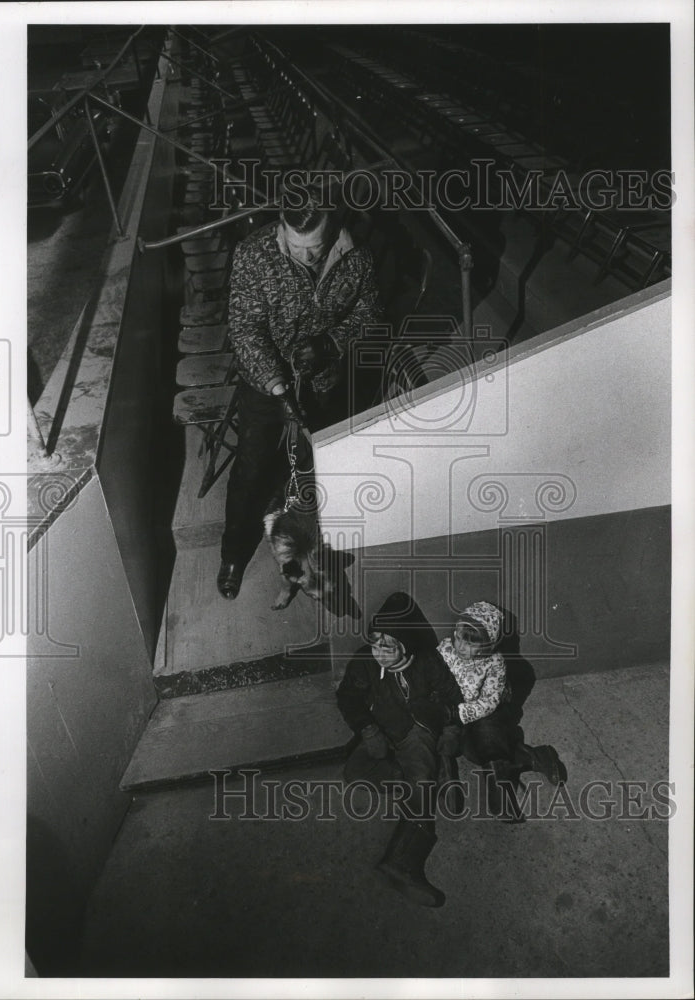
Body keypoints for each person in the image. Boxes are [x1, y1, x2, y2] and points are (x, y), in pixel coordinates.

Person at [217, 178, 383, 600]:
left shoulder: (356, 253)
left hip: (323, 383)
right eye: (296, 247)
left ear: (334, 226)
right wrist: (278, 387)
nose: (307, 257)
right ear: (282, 229)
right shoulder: (255, 255)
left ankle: (312, 555)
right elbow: (244, 328)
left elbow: (369, 311)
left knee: (314, 474)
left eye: (317, 247)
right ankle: (233, 555)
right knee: (252, 469)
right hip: (265, 386)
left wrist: (331, 343)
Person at [335, 591, 463, 907]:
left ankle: (404, 861)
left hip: (418, 728)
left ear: (404, 645)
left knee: (419, 775)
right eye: (375, 643)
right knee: (355, 772)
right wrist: (366, 728)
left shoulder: (428, 663)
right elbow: (348, 697)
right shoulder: (365, 663)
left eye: (387, 646)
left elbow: (452, 695)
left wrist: (451, 729)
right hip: (385, 728)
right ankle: (439, 776)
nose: (378, 652)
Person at [436, 601, 567, 822]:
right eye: (458, 638)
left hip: (480, 714)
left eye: (470, 644)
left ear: (487, 645)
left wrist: (461, 713)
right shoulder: (445, 650)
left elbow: (490, 700)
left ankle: (502, 794)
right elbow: (431, 675)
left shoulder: (494, 663)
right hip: (448, 711)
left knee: (484, 747)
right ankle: (445, 775)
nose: (461, 647)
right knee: (448, 742)